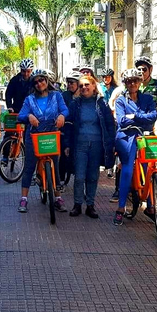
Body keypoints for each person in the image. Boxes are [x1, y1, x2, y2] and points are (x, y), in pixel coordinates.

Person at [16, 69, 69, 213]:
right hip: (34, 136)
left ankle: (58, 198)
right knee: (29, 167)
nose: (39, 84)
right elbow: (20, 115)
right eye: (36, 82)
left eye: (42, 80)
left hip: (51, 135)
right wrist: (28, 117)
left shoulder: (56, 96)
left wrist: (62, 116)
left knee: (55, 166)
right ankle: (24, 198)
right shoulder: (29, 99)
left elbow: (65, 110)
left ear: (47, 81)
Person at [66, 75, 116, 218]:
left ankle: (90, 205)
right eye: (81, 86)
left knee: (93, 176)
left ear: (94, 86)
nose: (84, 88)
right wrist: (67, 144)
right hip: (79, 144)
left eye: (87, 84)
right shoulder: (75, 104)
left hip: (97, 145)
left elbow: (109, 125)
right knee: (79, 176)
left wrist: (111, 143)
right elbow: (69, 126)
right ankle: (77, 205)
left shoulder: (102, 104)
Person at [113, 68, 157, 225]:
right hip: (126, 137)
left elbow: (153, 116)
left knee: (149, 169)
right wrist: (143, 119)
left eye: (135, 81)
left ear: (140, 82)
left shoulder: (147, 99)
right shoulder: (120, 100)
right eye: (129, 81)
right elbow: (121, 121)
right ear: (125, 83)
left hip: (144, 136)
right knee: (127, 169)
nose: (132, 84)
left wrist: (136, 116)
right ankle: (121, 208)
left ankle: (151, 206)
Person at [59, 72, 81, 187]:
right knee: (63, 152)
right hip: (65, 126)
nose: (69, 85)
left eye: (72, 83)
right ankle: (61, 179)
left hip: (78, 129)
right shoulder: (65, 95)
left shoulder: (83, 95)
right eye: (68, 83)